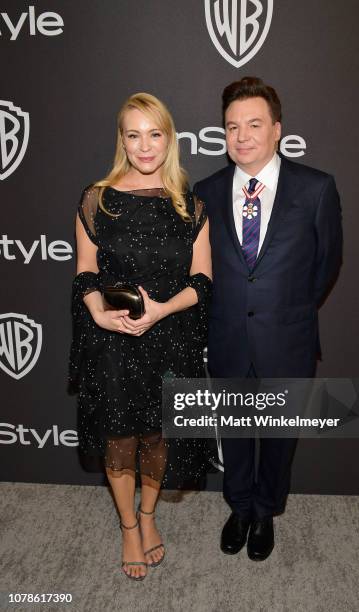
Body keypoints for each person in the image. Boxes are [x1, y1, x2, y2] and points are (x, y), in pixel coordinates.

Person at [194, 77, 342, 561]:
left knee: (279, 439)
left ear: (277, 129)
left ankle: (265, 513)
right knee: (234, 434)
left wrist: (287, 312)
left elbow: (326, 265)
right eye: (232, 126)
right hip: (229, 337)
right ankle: (239, 508)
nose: (242, 136)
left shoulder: (316, 188)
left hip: (288, 339)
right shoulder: (206, 192)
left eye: (254, 124)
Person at [69, 92, 213, 580]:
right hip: (113, 340)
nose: (145, 146)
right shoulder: (97, 199)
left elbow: (202, 282)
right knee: (119, 438)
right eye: (134, 135)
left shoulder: (191, 206)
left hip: (169, 338)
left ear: (169, 139)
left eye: (155, 134)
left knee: (157, 435)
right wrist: (97, 313)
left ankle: (149, 517)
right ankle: (129, 526)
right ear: (122, 140)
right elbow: (85, 271)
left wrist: (161, 310)